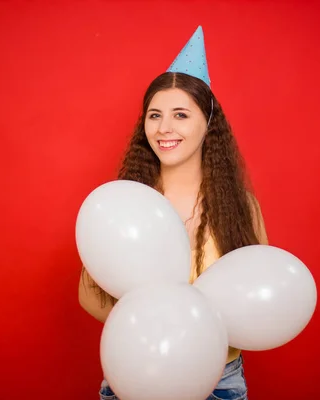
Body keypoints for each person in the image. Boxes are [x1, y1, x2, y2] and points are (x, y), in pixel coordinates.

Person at [78, 26, 267, 400]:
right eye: (154, 115)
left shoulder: (240, 206)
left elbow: (257, 297)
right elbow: (88, 294)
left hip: (220, 382)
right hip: (135, 374)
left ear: (208, 122)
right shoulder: (129, 203)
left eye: (181, 114)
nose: (164, 128)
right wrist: (153, 330)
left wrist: (196, 336)